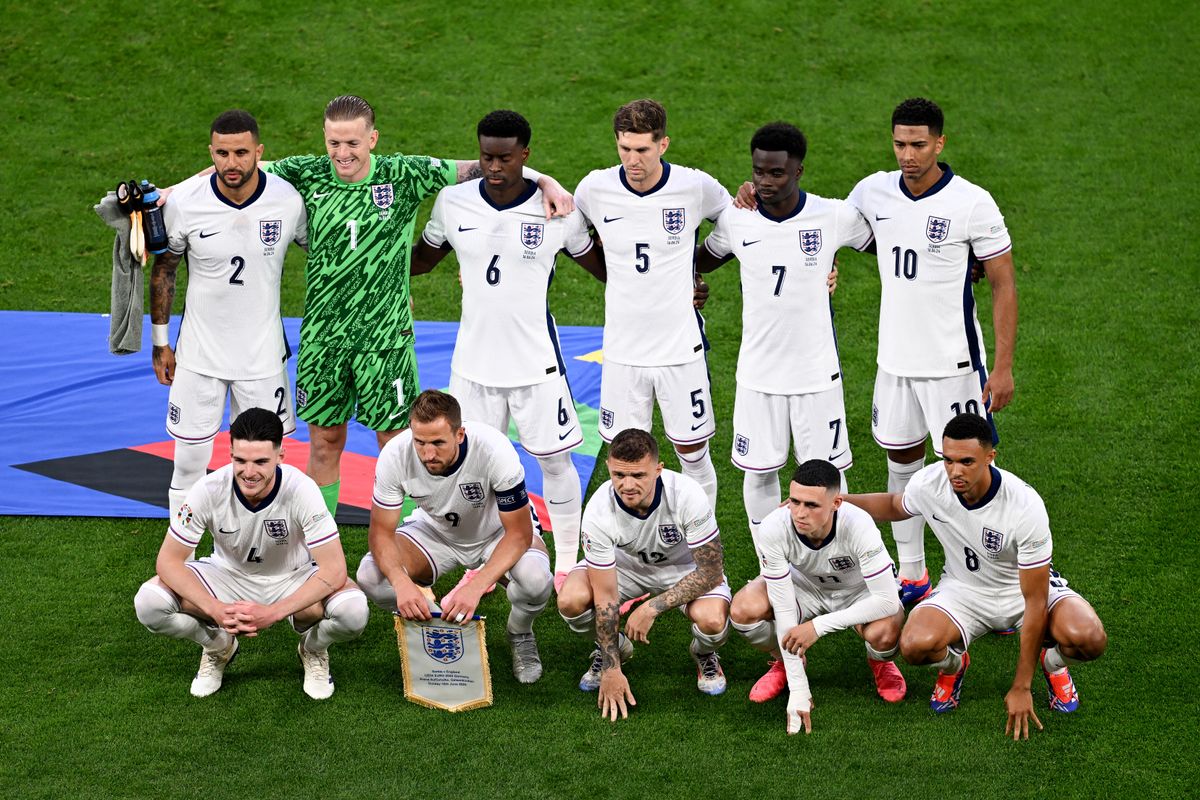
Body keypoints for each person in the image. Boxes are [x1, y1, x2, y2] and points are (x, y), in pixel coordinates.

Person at [167, 95, 574, 518]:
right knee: (324, 442)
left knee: (397, 443)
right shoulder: (305, 173)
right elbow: (236, 167)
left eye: (353, 144)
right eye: (334, 143)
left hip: (385, 339)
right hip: (325, 338)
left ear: (372, 139)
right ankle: (318, 536)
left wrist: (547, 181)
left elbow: (487, 166)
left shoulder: (405, 174)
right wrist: (168, 193)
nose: (342, 154)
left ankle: (411, 536)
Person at [411, 110, 606, 589]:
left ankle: (564, 561)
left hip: (535, 363)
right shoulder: (452, 203)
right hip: (473, 365)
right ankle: (482, 552)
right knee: (470, 466)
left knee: (555, 461)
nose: (494, 166)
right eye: (486, 156)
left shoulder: (557, 210)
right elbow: (420, 259)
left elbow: (606, 269)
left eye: (504, 157)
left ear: (525, 155)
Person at [846, 97, 1020, 606]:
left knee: (965, 470)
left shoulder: (972, 202)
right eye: (899, 143)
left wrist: (1004, 366)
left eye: (918, 144)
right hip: (894, 363)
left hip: (954, 367)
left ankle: (992, 579)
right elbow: (826, 224)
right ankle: (914, 573)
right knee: (901, 462)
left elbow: (1003, 284)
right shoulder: (872, 191)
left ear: (939, 143)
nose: (907, 154)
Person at [844, 414, 1107, 738]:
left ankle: (1053, 665)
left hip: (1021, 591)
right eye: (949, 460)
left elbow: (1036, 600)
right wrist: (837, 503)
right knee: (914, 646)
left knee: (1088, 638)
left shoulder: (1024, 506)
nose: (955, 471)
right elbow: (896, 505)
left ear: (989, 457)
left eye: (966, 461)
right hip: (963, 590)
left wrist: (1022, 686)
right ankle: (955, 665)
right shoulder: (931, 483)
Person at [696, 122, 872, 534]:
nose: (765, 181)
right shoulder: (738, 221)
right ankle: (769, 562)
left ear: (798, 172)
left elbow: (887, 242)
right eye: (759, 171)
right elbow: (701, 258)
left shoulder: (832, 215)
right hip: (758, 375)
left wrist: (831, 265)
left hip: (816, 374)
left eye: (776, 172)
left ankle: (831, 556)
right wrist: (695, 282)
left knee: (826, 474)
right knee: (758, 473)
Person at [133, 408, 368, 699]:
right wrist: (214, 609)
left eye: (260, 462)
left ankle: (314, 649)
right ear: (229, 452)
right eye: (240, 460)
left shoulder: (302, 489)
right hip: (226, 576)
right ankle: (218, 646)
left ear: (281, 455)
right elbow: (168, 561)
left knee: (354, 612)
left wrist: (273, 613)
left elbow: (334, 570)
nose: (249, 472)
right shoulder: (208, 489)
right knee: (149, 603)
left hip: (292, 576)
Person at [150, 110, 307, 523]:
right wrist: (160, 342)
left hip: (261, 358)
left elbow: (325, 257)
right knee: (187, 464)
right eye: (222, 153)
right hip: (199, 356)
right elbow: (164, 269)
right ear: (211, 153)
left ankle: (260, 549)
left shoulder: (288, 200)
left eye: (241, 152)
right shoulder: (185, 202)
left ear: (259, 152)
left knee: (266, 466)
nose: (231, 163)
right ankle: (180, 555)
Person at [572, 99, 731, 509]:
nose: (632, 160)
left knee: (693, 455)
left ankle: (703, 550)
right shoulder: (595, 188)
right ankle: (632, 550)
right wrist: (608, 272)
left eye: (642, 150)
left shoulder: (694, 186)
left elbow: (737, 224)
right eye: (624, 148)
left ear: (663, 145)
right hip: (623, 352)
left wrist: (696, 268)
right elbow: (568, 233)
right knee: (626, 459)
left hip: (680, 350)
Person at [356, 389, 552, 684]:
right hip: (435, 532)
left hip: (497, 532)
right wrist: (402, 584)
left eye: (437, 443)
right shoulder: (395, 455)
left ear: (460, 434)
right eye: (419, 442)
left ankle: (520, 632)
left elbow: (520, 534)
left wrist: (476, 586)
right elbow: (381, 534)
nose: (428, 453)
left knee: (536, 581)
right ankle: (436, 627)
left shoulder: (493, 450)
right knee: (370, 574)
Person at [557, 428, 730, 720]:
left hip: (683, 569)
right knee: (570, 601)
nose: (627, 485)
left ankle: (703, 653)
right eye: (619, 475)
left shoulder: (687, 495)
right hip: (624, 568)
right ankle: (612, 648)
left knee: (712, 621)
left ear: (658, 470)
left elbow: (711, 571)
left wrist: (652, 607)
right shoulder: (599, 509)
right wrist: (613, 668)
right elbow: (606, 595)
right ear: (609, 469)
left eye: (638, 476)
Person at [730, 459, 905, 734]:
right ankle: (785, 662)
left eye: (811, 505)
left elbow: (886, 601)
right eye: (795, 501)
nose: (799, 513)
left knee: (883, 634)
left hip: (858, 591)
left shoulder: (859, 524)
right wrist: (799, 689)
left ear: (836, 503)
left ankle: (880, 661)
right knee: (743, 610)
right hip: (805, 587)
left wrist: (817, 627)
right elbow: (785, 607)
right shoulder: (774, 526)